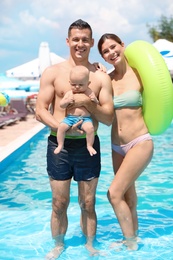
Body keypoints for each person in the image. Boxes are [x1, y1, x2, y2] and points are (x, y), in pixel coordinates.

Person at [35, 19, 114, 259]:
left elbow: (109, 118)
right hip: (59, 146)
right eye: (76, 39)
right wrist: (61, 126)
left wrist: (86, 103)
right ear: (68, 41)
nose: (80, 44)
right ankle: (58, 245)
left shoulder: (101, 77)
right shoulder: (53, 72)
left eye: (85, 39)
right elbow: (40, 110)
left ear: (91, 42)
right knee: (59, 202)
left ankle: (90, 245)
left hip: (87, 146)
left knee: (87, 202)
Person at [97, 33, 154, 250]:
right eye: (105, 51)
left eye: (113, 47)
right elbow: (104, 113)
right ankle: (133, 236)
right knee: (128, 196)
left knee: (114, 193)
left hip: (139, 141)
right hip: (117, 146)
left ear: (122, 45)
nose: (111, 53)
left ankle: (130, 244)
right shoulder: (108, 80)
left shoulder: (141, 75)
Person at [54, 65, 99, 156]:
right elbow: (61, 105)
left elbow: (96, 104)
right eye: (73, 84)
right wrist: (66, 101)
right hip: (70, 118)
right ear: (69, 83)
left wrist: (95, 100)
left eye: (81, 85)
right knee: (61, 127)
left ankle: (89, 146)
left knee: (90, 129)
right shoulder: (69, 93)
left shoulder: (89, 92)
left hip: (85, 119)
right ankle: (60, 145)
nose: (77, 87)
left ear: (88, 83)